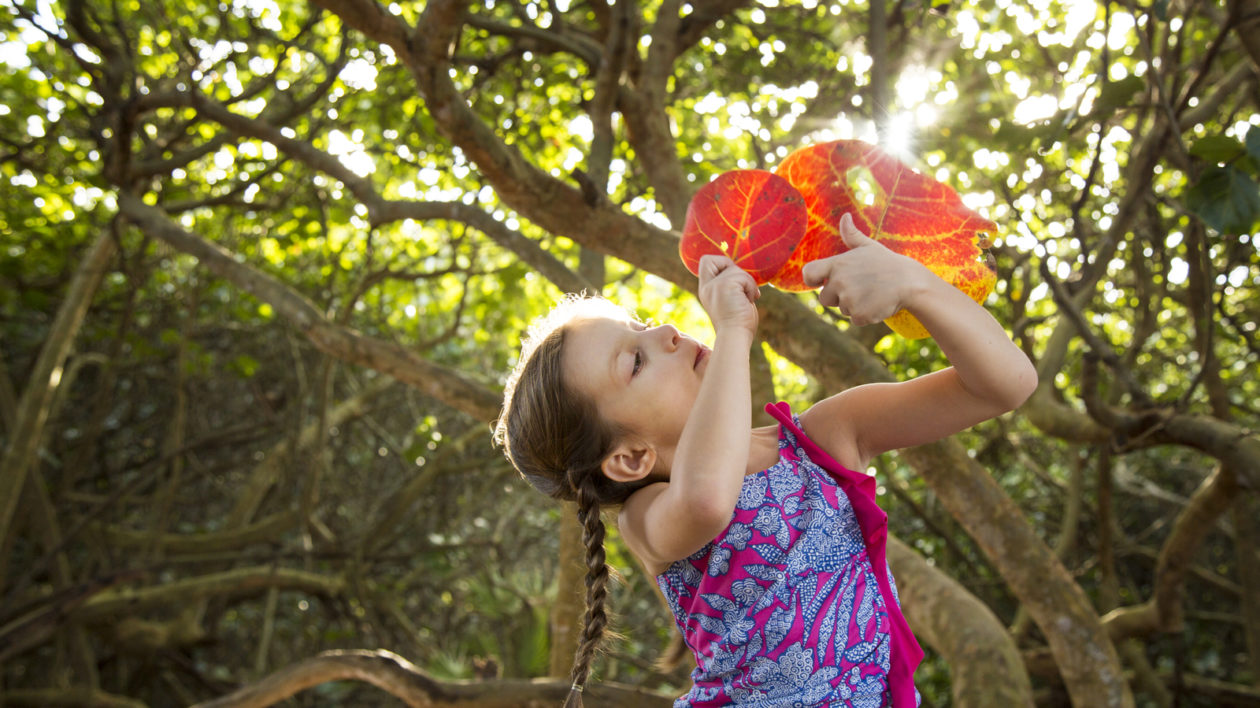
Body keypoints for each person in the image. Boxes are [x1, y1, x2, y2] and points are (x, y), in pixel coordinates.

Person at [494, 213, 1037, 707]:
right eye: (635, 359)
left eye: (640, 324)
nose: (664, 331)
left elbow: (1003, 386)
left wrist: (915, 285)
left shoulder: (825, 437)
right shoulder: (649, 517)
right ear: (632, 457)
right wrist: (732, 332)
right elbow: (709, 498)